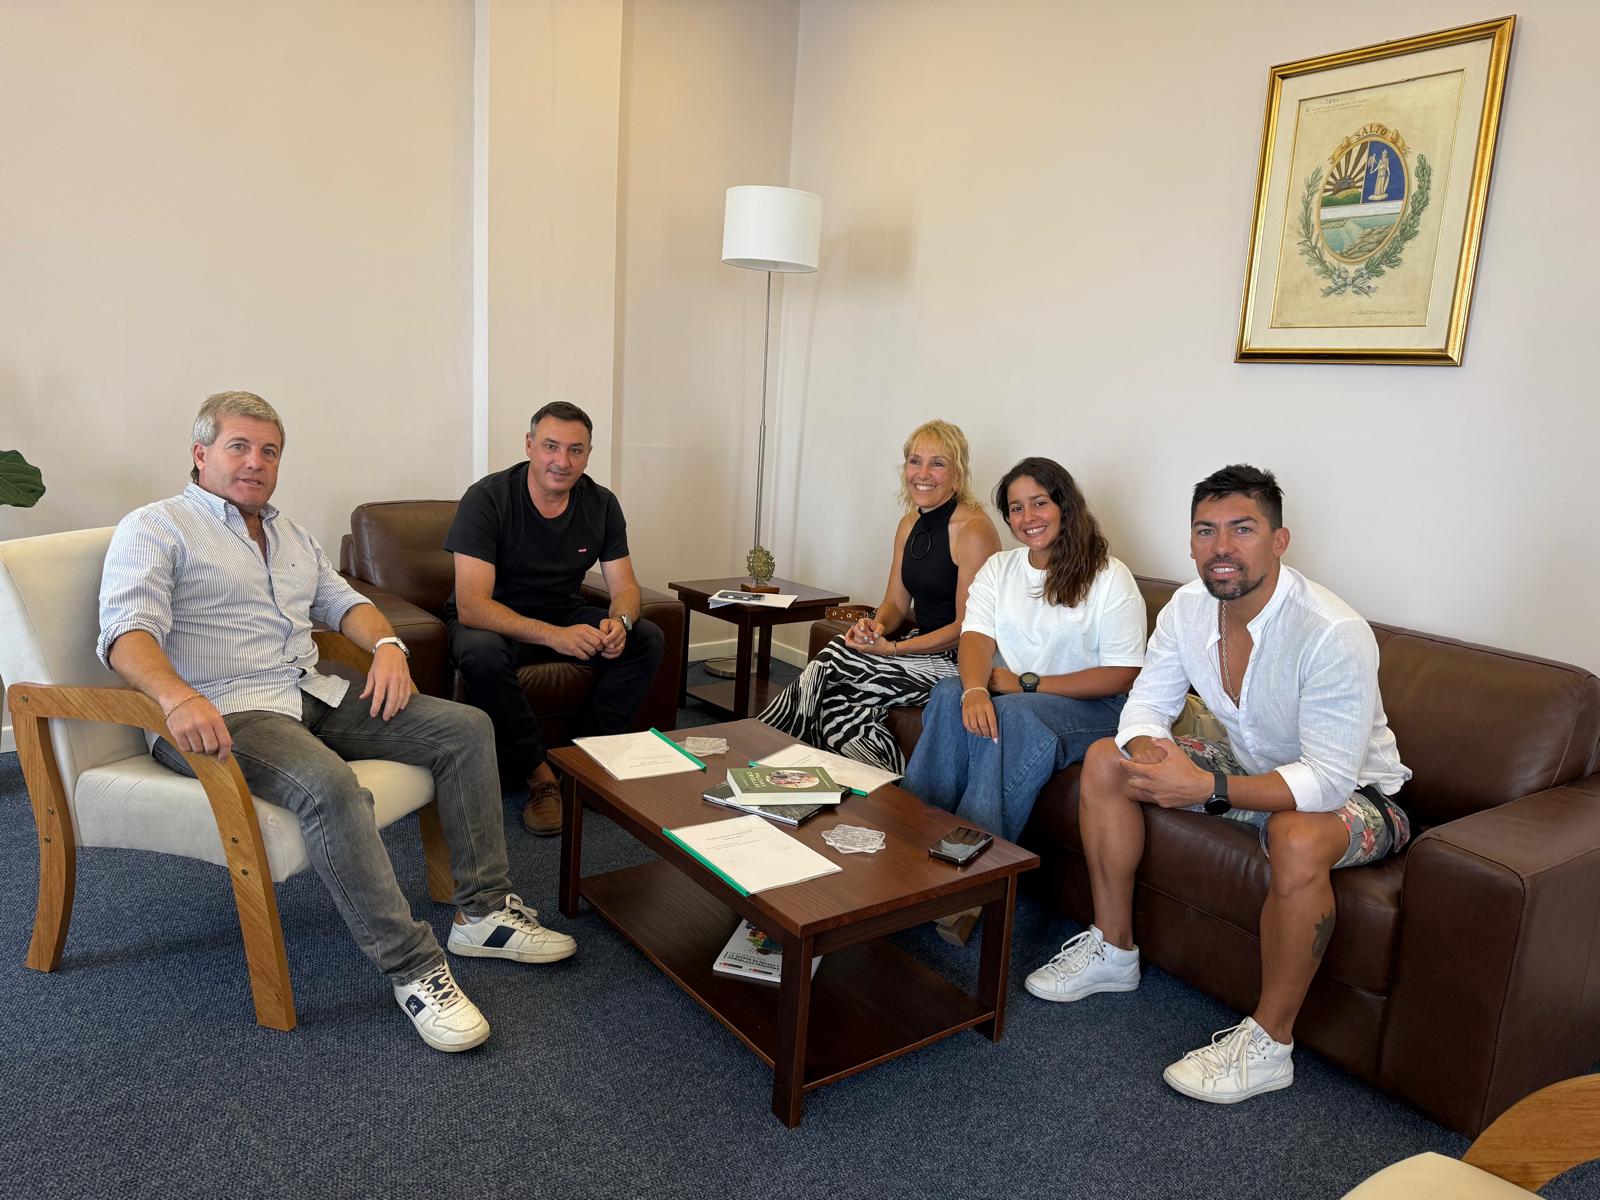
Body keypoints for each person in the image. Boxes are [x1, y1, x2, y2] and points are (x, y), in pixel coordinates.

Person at [98, 391, 575, 1054]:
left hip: (307, 692)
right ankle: (413, 968)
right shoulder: (157, 527)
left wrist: (388, 647)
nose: (256, 462)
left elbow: (347, 603)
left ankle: (484, 914)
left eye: (269, 451)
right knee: (329, 786)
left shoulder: (290, 535)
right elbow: (126, 633)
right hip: (221, 714)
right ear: (200, 454)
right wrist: (176, 697)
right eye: (239, 446)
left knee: (464, 727)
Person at [1024, 464, 1411, 1106]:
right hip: (1248, 763)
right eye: (1206, 531)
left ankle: (1270, 1044)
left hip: (1359, 796)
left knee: (1295, 836)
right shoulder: (1187, 608)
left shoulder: (1331, 632)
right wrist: (1151, 757)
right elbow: (1146, 707)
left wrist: (1206, 787)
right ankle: (1113, 949)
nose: (1221, 547)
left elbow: (1327, 779)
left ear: (1279, 541)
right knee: (1106, 759)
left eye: (1242, 529)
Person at [904, 458, 1145, 943]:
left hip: (1097, 708)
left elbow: (1124, 673)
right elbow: (975, 636)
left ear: (1064, 506)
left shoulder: (1108, 575)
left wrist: (1025, 684)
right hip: (1014, 693)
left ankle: (967, 885)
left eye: (1040, 503)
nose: (1028, 516)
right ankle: (909, 849)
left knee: (1013, 719)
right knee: (949, 692)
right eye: (1016, 508)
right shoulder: (1001, 568)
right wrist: (976, 689)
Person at [445, 401, 664, 836]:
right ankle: (541, 779)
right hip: (493, 618)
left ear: (588, 454)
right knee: (481, 653)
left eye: (575, 450)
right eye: (550, 446)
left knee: (647, 638)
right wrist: (554, 637)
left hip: (563, 609)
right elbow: (472, 605)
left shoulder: (601, 504)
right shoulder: (487, 499)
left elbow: (625, 588)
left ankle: (586, 762)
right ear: (529, 445)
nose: (562, 461)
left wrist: (619, 624)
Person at [758, 420, 1000, 772]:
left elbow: (968, 628)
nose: (923, 474)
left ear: (957, 476)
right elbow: (895, 603)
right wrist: (875, 626)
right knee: (840, 687)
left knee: (832, 667)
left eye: (937, 464)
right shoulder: (908, 524)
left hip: (958, 660)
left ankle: (764, 749)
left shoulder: (974, 530)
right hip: (919, 644)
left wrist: (895, 649)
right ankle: (880, 780)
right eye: (915, 461)